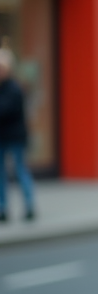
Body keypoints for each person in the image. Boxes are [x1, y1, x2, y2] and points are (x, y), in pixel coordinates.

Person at [0, 49, 35, 222]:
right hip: (2, 137)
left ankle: (29, 205)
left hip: (15, 138)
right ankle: (3, 208)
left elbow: (6, 110)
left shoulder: (14, 89)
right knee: (1, 175)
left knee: (20, 170)